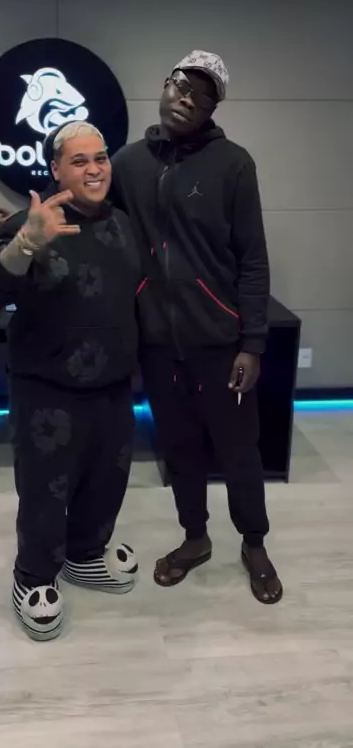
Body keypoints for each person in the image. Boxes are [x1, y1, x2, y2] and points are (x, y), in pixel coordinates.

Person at [110, 49, 282, 604]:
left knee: (239, 452)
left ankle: (254, 543)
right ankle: (195, 538)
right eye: (182, 86)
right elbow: (86, 215)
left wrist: (252, 344)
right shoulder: (128, 164)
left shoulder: (234, 165)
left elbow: (253, 260)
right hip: (159, 344)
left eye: (203, 96)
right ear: (165, 85)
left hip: (220, 343)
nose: (188, 99)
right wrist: (20, 227)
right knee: (180, 448)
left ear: (213, 110)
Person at [0, 121, 141, 641]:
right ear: (55, 169)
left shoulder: (123, 223)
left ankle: (86, 555)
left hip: (113, 385)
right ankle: (34, 579)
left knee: (106, 481)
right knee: (45, 493)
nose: (94, 169)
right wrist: (25, 242)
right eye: (79, 160)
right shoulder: (36, 221)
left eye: (101, 157)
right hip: (47, 389)